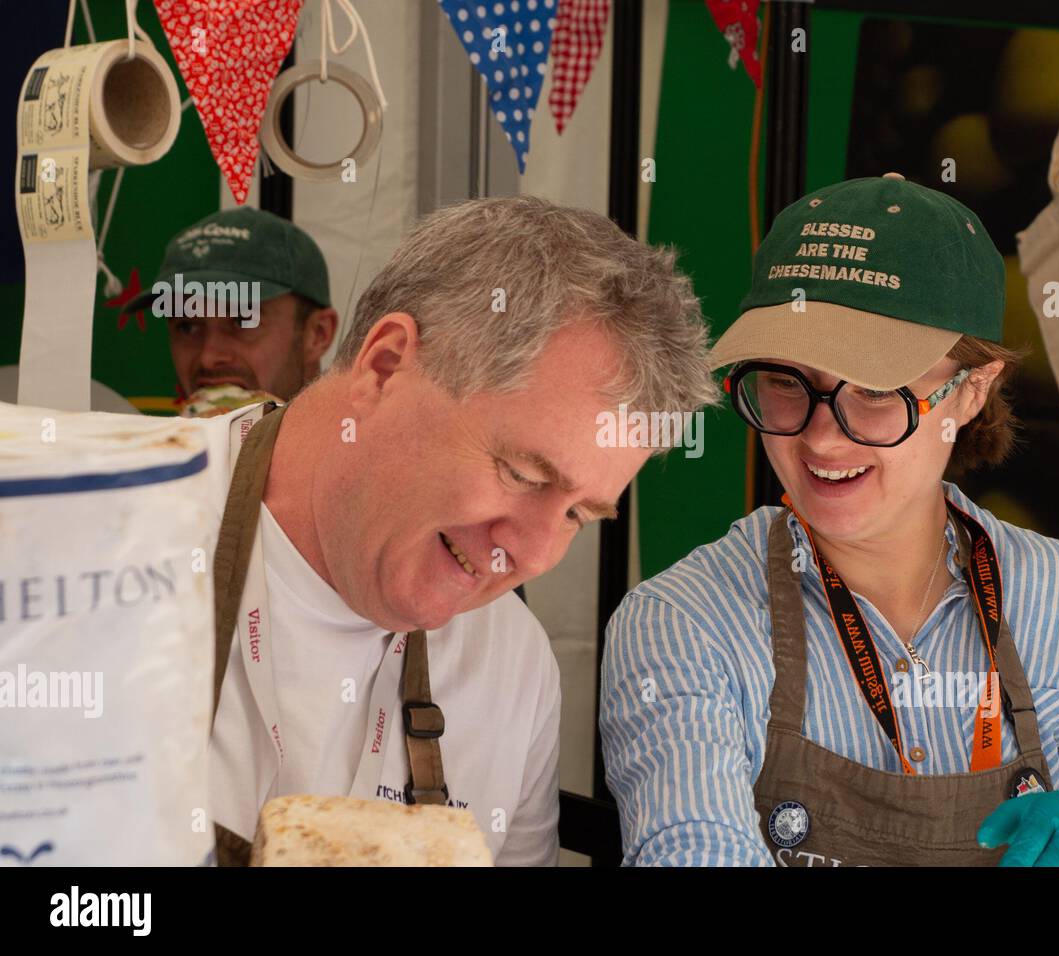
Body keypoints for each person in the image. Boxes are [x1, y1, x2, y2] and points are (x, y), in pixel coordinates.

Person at [600, 174, 1059, 866]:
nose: (822, 440)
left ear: (971, 392)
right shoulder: (684, 623)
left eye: (872, 390)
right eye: (784, 382)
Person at [196, 195, 715, 865]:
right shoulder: (96, 541)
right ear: (384, 366)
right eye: (524, 474)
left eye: (576, 515)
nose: (531, 553)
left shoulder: (515, 666)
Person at [121, 207, 339, 410]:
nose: (208, 357)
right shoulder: (155, 448)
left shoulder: (360, 445)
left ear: (318, 334)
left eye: (242, 320)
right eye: (187, 327)